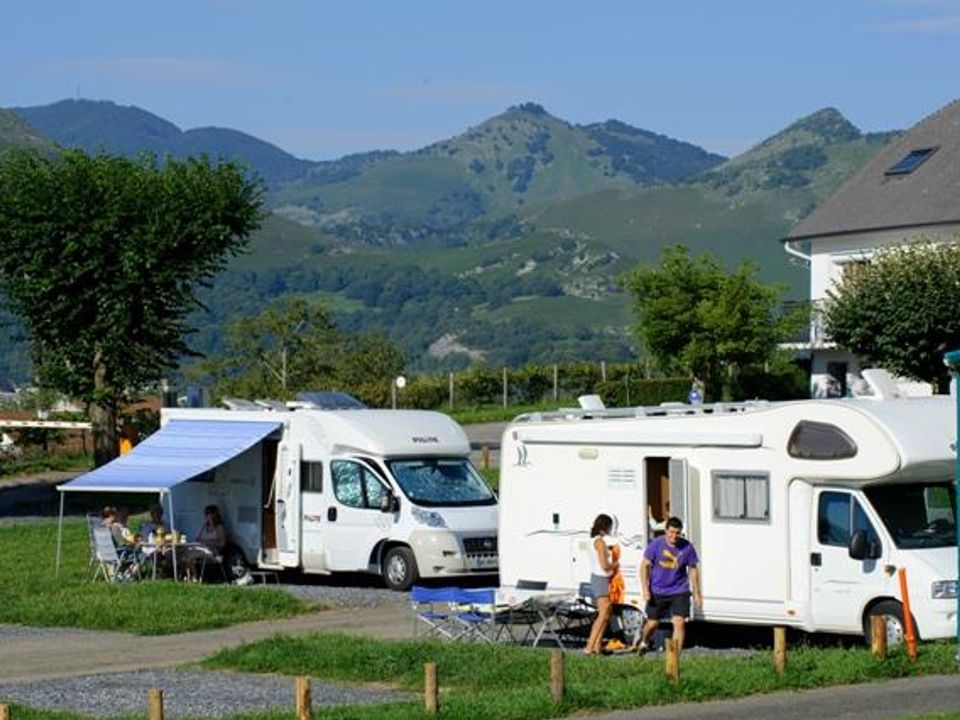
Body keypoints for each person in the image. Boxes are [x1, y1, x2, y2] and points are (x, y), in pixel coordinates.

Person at [635, 516, 702, 655]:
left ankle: (674, 658)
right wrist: (645, 589)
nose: (674, 536)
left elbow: (693, 569)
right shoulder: (656, 545)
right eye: (671, 532)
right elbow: (644, 566)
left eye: (677, 533)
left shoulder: (687, 547)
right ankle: (644, 640)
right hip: (658, 590)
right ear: (666, 531)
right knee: (652, 623)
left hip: (679, 590)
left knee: (679, 622)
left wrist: (696, 593)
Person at [584, 514, 618, 656]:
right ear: (604, 528)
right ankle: (589, 646)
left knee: (607, 612)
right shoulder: (600, 542)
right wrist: (615, 564)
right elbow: (604, 565)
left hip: (598, 578)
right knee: (603, 613)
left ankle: (597, 646)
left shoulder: (594, 540)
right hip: (600, 578)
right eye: (610, 527)